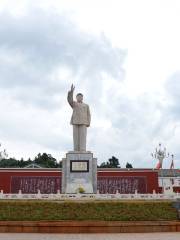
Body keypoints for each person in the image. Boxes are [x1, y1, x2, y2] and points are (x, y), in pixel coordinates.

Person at [67, 84, 91, 151]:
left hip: (83, 122)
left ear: (82, 98)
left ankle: (82, 149)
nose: (79, 98)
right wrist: (71, 92)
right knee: (75, 137)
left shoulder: (86, 105)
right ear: (76, 98)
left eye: (81, 97)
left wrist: (88, 122)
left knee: (83, 137)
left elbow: (89, 114)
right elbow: (69, 100)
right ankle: (76, 149)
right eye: (78, 97)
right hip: (75, 121)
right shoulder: (74, 104)